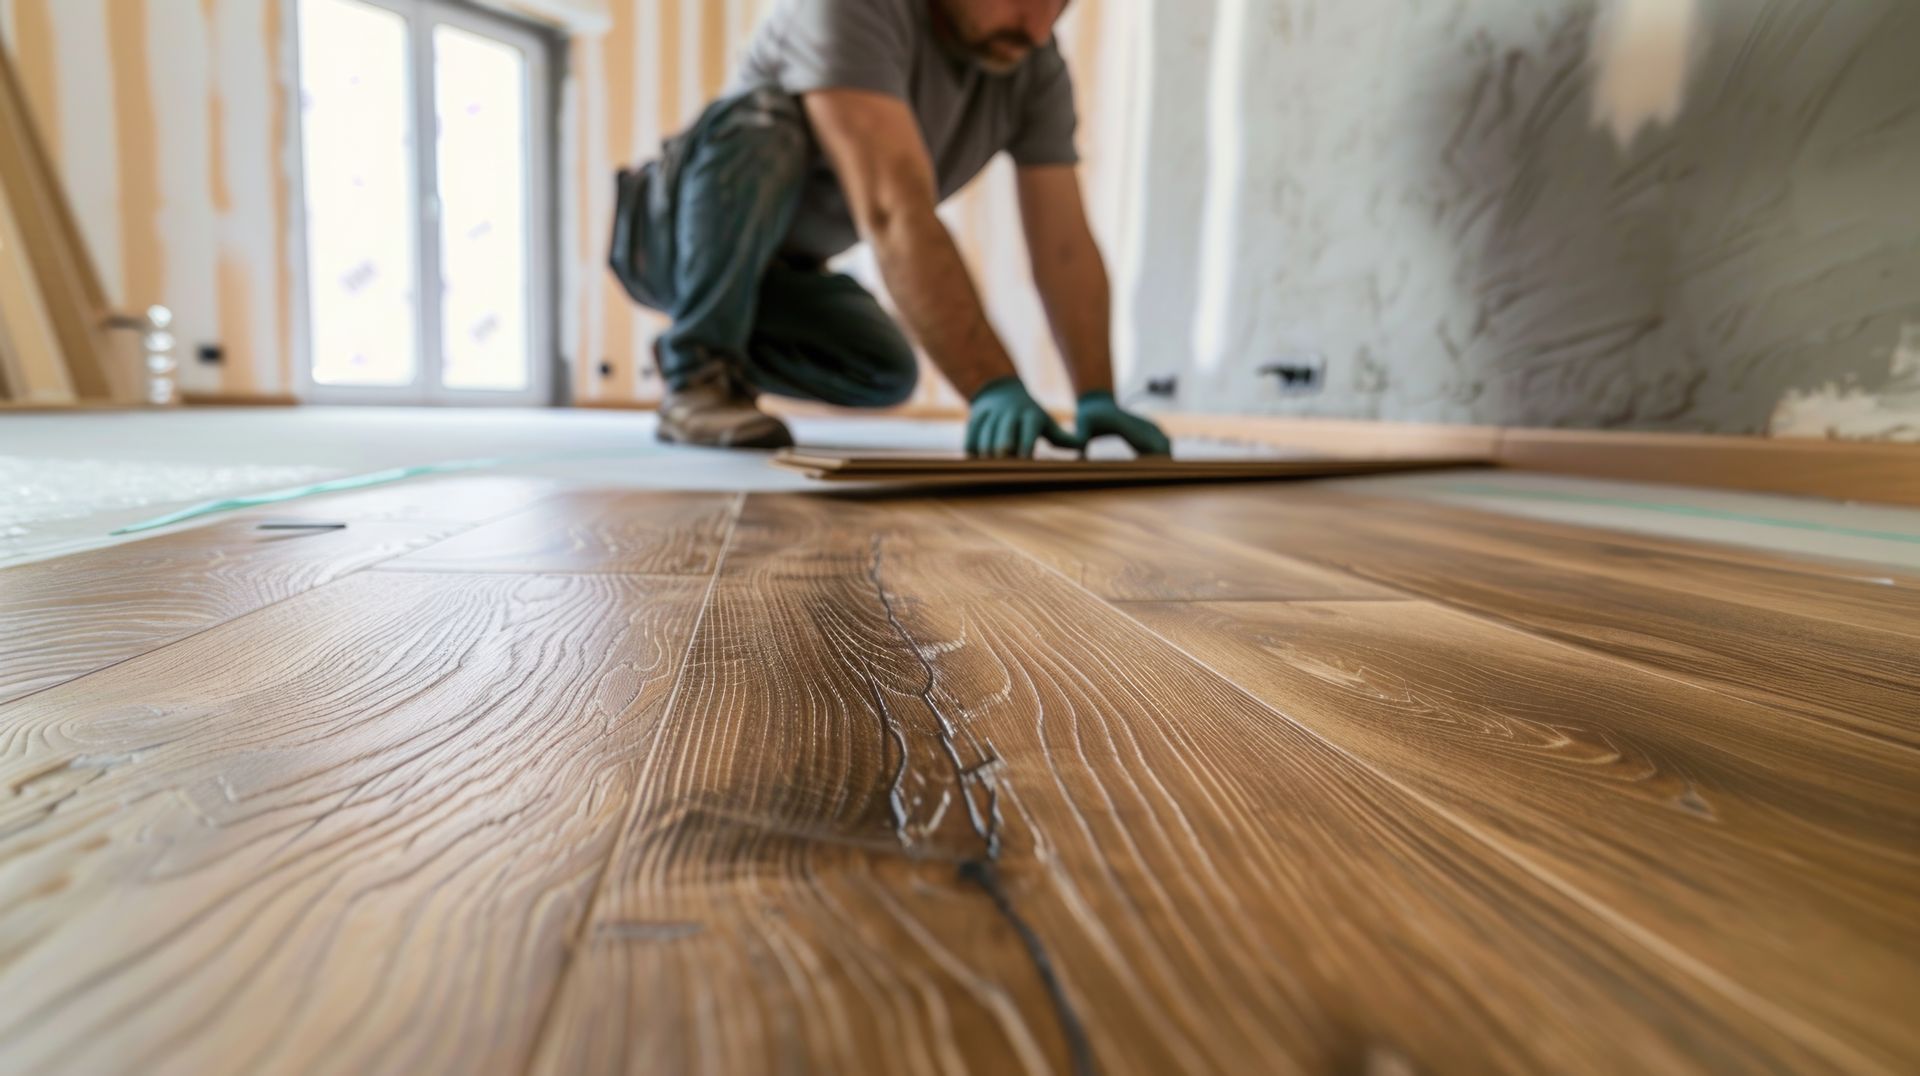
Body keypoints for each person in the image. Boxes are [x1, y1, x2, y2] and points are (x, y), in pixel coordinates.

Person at [609, 0, 1171, 458]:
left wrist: (1095, 391)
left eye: (1060, 2)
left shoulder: (1034, 65)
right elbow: (892, 208)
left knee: (882, 371)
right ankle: (697, 375)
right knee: (765, 123)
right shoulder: (849, 9)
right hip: (664, 240)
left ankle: (710, 344)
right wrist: (993, 384)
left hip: (785, 271)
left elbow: (1064, 245)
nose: (1037, 25)